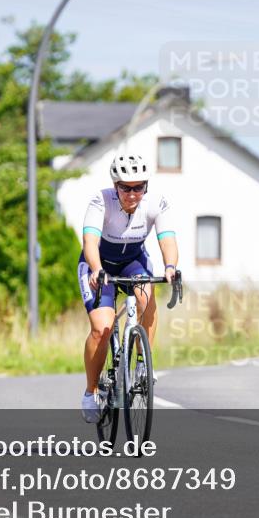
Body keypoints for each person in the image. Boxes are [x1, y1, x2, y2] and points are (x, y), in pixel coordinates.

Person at [77, 153, 179, 423]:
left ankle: (143, 365)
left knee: (147, 297)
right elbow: (89, 242)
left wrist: (170, 267)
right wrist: (97, 270)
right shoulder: (101, 201)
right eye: (126, 187)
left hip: (133, 261)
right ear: (115, 186)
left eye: (139, 187)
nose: (133, 194)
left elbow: (167, 239)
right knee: (102, 329)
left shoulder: (156, 203)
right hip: (99, 264)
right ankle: (91, 391)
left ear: (146, 186)